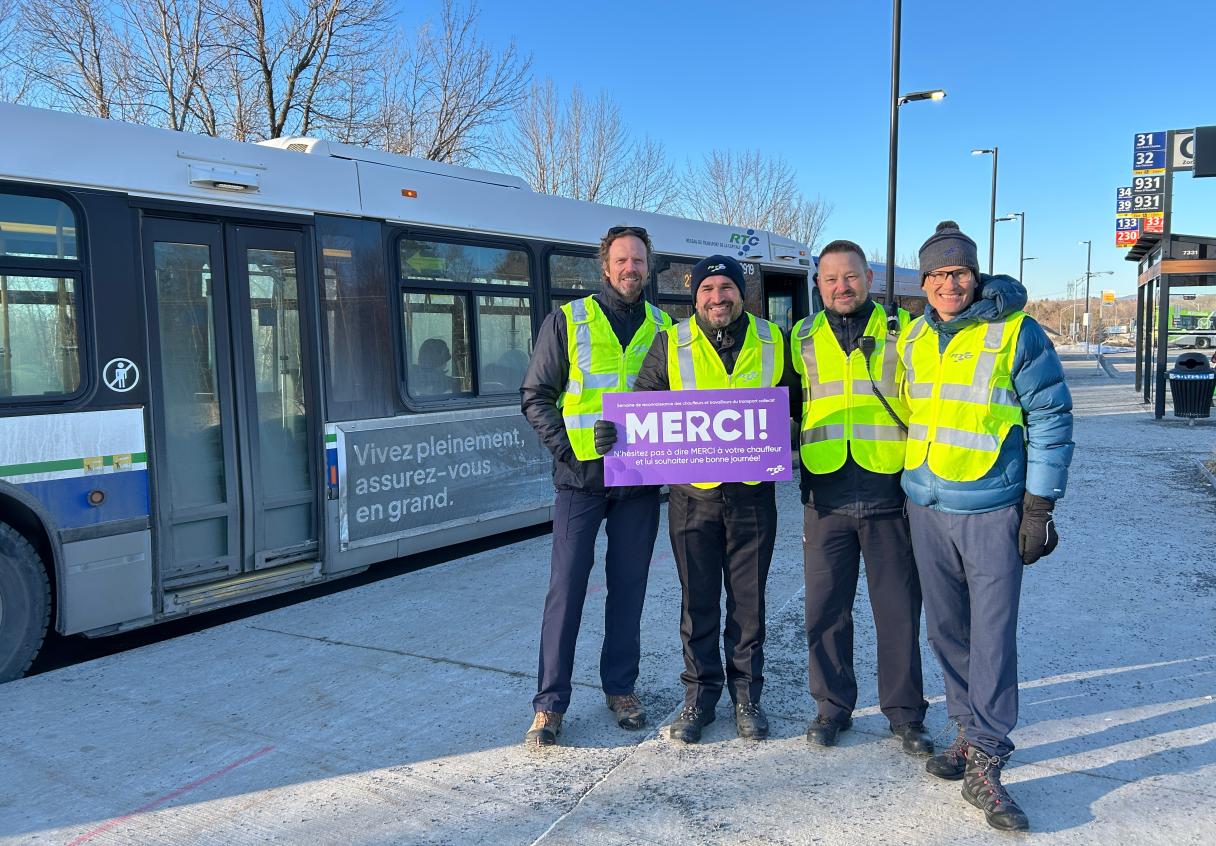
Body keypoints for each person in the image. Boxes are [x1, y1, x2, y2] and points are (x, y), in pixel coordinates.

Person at [898, 221, 1073, 831]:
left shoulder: (1016, 333)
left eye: (960, 272)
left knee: (992, 637)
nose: (949, 283)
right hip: (925, 506)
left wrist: (1039, 505)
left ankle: (990, 760)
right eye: (938, 274)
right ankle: (966, 735)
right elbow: (908, 410)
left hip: (991, 510)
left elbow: (1051, 415)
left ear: (975, 276)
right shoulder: (914, 337)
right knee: (946, 632)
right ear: (923, 283)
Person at [625, 254, 793, 743]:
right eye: (707, 289)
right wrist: (616, 433)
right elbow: (644, 408)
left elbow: (795, 404)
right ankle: (698, 698)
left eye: (726, 288)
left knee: (748, 605)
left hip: (752, 498)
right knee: (697, 603)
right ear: (694, 294)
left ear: (743, 293)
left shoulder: (773, 340)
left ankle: (747, 698)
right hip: (691, 499)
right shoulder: (669, 342)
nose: (717, 297)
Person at [519, 225, 673, 747]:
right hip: (580, 483)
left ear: (648, 268)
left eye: (638, 261)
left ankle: (620, 689)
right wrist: (569, 449)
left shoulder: (664, 327)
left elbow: (678, 404)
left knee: (629, 592)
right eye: (621, 260)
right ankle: (549, 704)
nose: (631, 269)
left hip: (639, 484)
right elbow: (536, 395)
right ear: (605, 266)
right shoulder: (569, 320)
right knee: (566, 591)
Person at [790, 240, 930, 755]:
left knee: (896, 611)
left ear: (868, 277)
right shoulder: (799, 336)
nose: (840, 287)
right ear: (819, 284)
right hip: (823, 494)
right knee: (825, 611)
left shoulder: (906, 332)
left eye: (850, 277)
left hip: (888, 492)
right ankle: (831, 708)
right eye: (830, 279)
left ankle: (905, 714)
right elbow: (778, 403)